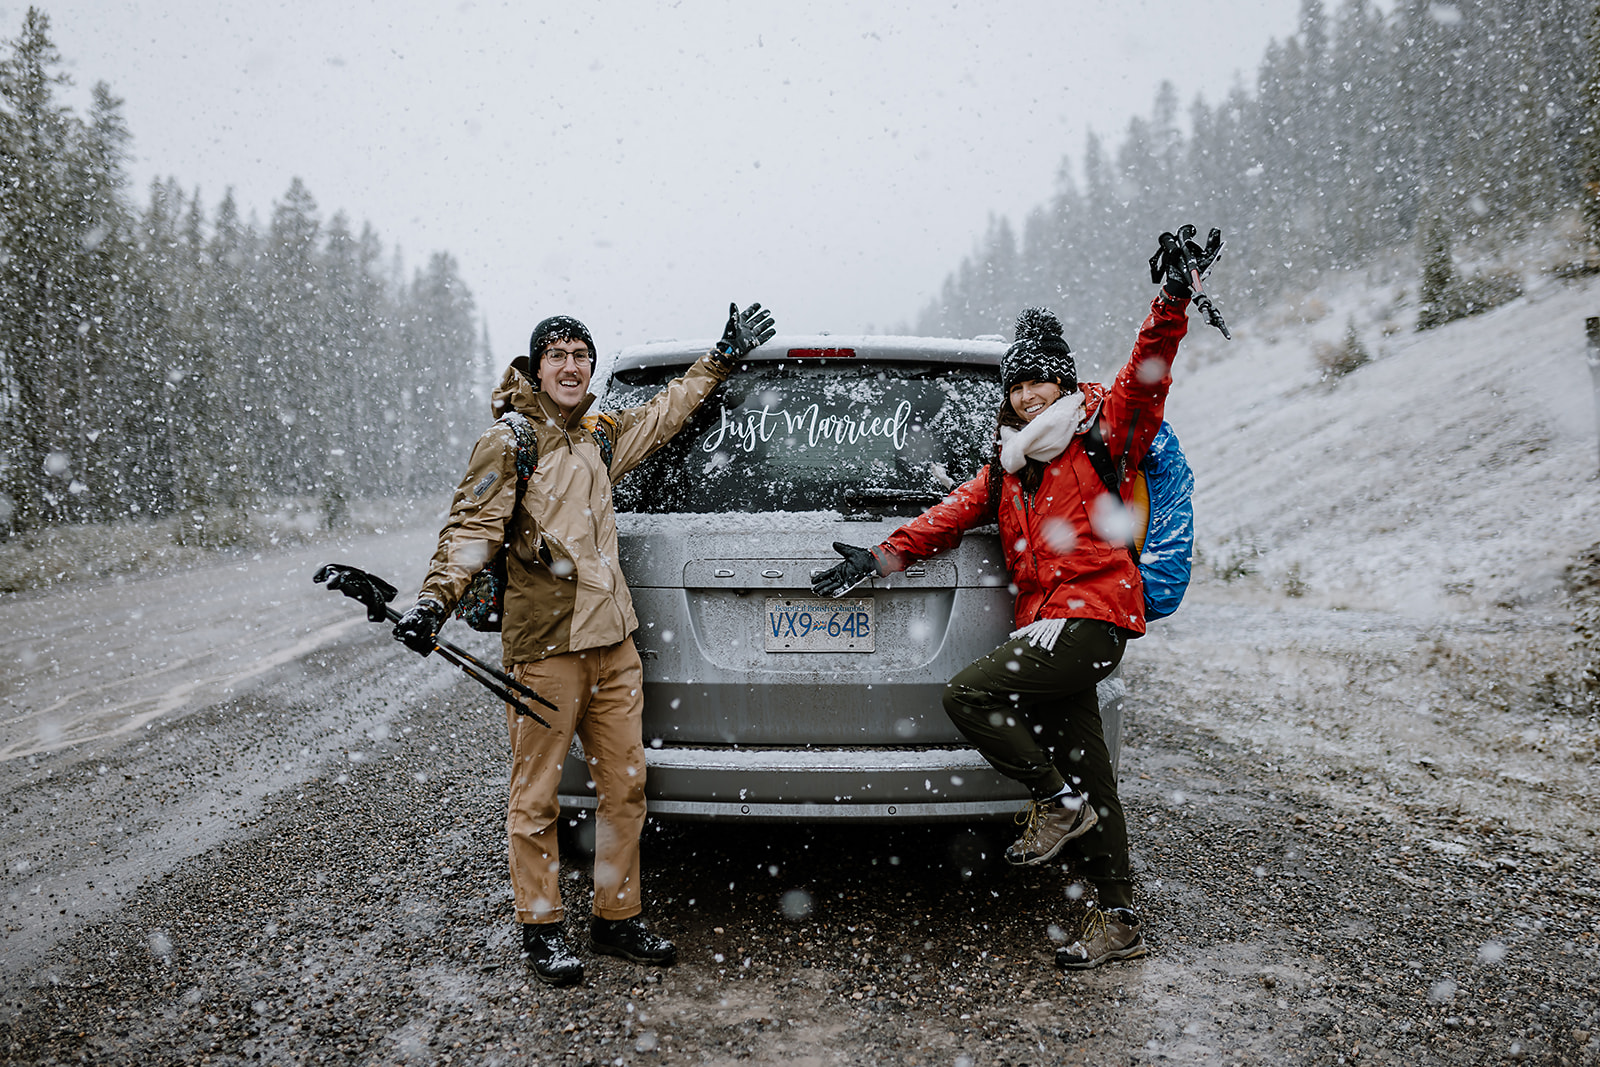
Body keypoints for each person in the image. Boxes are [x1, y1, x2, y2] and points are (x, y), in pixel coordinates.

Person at [811, 228, 1220, 970]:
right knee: (1092, 772)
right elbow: (947, 517)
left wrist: (1172, 298)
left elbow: (1148, 371)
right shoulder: (1006, 467)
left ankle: (1055, 804)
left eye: (1041, 381)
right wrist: (879, 556)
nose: (1029, 394)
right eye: (1018, 383)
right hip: (1049, 626)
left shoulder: (1106, 429)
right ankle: (1119, 914)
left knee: (968, 694)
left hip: (1091, 616)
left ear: (1063, 383)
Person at [393, 302, 776, 986]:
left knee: (626, 787)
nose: (571, 366)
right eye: (558, 354)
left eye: (581, 355)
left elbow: (665, 414)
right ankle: (541, 928)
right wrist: (433, 602)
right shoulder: (509, 442)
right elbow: (469, 532)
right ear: (537, 367)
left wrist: (719, 359)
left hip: (614, 646)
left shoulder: (599, 436)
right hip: (545, 650)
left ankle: (615, 918)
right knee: (536, 795)